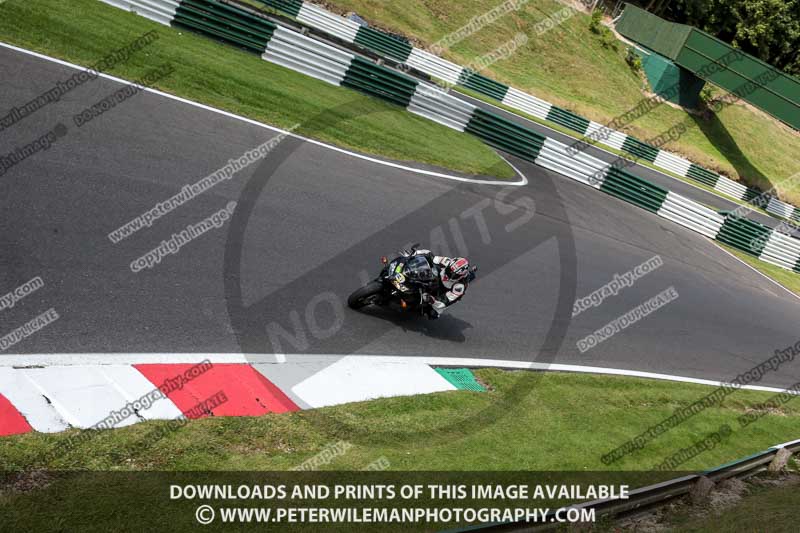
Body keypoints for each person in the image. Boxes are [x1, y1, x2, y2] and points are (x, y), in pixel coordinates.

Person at [400, 247, 474, 319]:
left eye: (454, 274)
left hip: (445, 289)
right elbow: (429, 255)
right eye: (449, 270)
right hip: (437, 277)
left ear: (461, 276)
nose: (450, 273)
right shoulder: (447, 261)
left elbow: (446, 300)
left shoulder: (460, 286)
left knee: (433, 312)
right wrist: (414, 254)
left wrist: (432, 300)